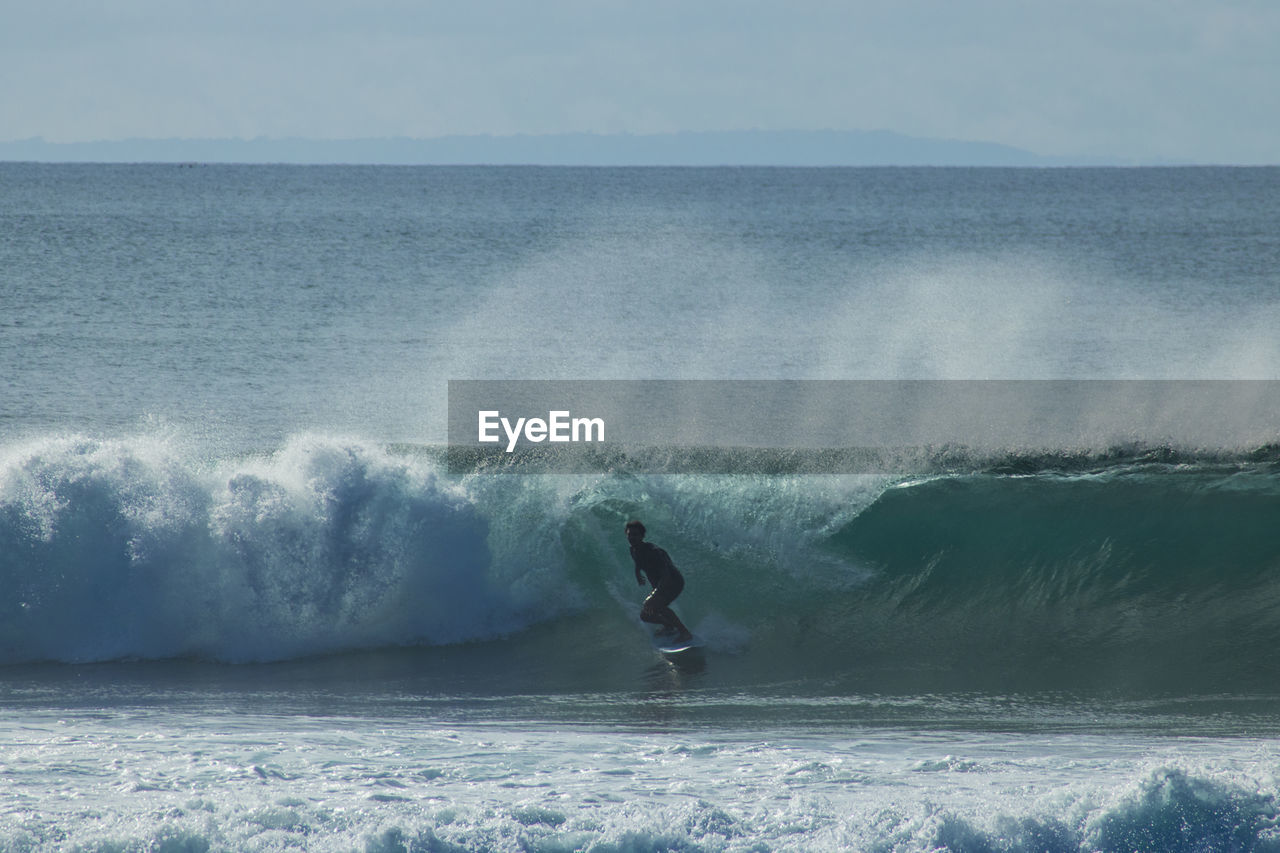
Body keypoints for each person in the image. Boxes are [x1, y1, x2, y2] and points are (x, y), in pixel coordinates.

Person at [625, 520, 692, 642]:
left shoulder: (653, 552)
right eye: (629, 534)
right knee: (645, 615)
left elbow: (666, 575)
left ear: (642, 536)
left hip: (673, 581)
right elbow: (637, 562)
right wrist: (637, 574)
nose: (632, 537)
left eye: (635, 535)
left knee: (657, 605)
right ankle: (669, 626)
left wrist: (655, 594)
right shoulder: (633, 549)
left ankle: (685, 633)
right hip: (660, 584)